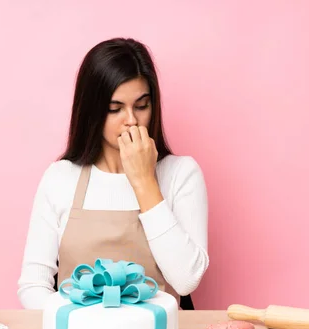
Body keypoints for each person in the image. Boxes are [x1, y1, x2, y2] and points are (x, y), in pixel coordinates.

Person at [17, 37, 209, 310]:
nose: (131, 120)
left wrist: (144, 181)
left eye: (141, 105)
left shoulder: (181, 173)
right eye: (114, 109)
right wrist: (78, 327)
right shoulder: (60, 178)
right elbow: (33, 285)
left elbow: (186, 280)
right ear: (91, 113)